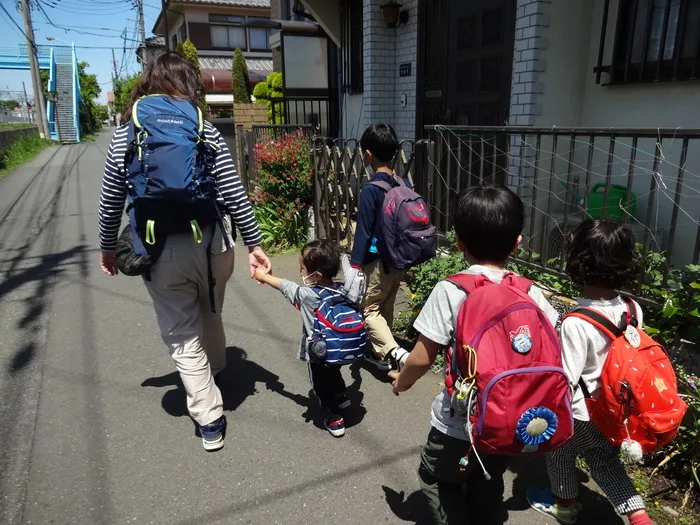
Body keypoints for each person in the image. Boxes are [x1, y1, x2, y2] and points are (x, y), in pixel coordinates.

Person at [98, 53, 271, 451]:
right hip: (213, 243)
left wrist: (108, 248)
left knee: (180, 331)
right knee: (209, 305)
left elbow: (111, 200)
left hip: (160, 249)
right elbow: (233, 190)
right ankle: (218, 367)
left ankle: (210, 419)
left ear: (149, 83)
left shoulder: (127, 132)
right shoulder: (202, 129)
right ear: (189, 84)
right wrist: (256, 244)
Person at [391, 185, 560, 525]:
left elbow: (423, 358)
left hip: (458, 422)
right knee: (488, 478)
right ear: (517, 242)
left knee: (436, 477)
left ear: (459, 242)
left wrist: (402, 382)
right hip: (512, 420)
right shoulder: (531, 292)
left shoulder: (451, 290)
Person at [527, 220, 654, 525]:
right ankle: (639, 517)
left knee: (558, 451)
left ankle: (566, 505)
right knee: (604, 461)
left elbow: (565, 379)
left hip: (583, 412)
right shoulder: (631, 308)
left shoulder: (576, 321)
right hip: (615, 409)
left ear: (578, 262)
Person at [254, 239, 358, 437]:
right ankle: (342, 395)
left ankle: (332, 415)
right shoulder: (342, 289)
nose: (300, 272)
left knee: (320, 384)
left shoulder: (306, 294)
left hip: (318, 351)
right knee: (334, 370)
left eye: (302, 269)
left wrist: (262, 275)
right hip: (338, 347)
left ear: (316, 275)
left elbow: (284, 285)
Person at [349, 124, 409, 373]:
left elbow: (363, 231)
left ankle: (394, 354)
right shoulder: (401, 183)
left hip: (377, 260)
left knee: (370, 308)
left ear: (367, 155)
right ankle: (380, 352)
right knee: (386, 304)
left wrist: (355, 265)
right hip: (399, 258)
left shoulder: (371, 189)